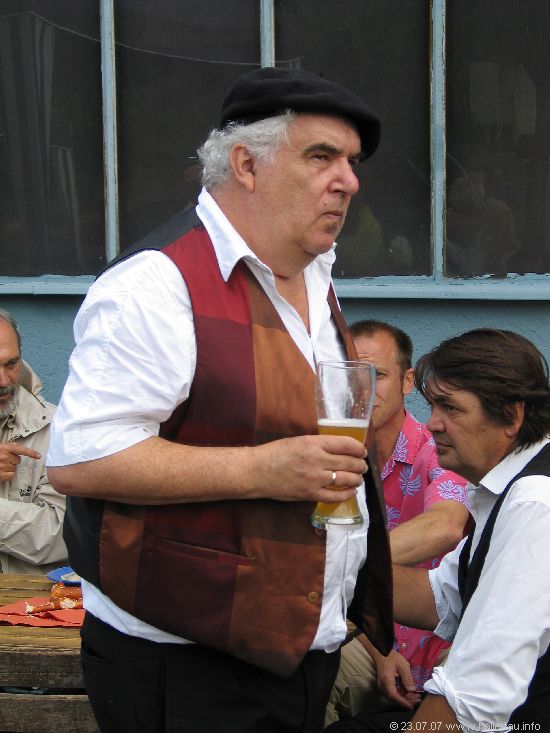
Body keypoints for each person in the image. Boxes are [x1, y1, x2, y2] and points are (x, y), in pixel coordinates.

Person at [46, 67, 394, 733]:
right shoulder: (156, 283)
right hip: (186, 663)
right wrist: (264, 468)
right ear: (246, 164)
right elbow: (82, 458)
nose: (348, 181)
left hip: (297, 648)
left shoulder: (313, 271)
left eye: (352, 162)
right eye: (322, 156)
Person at [326, 328, 550, 733]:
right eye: (432, 406)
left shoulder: (535, 503)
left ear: (512, 416)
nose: (433, 424)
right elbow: (439, 597)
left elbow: (476, 696)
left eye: (450, 408)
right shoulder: (505, 488)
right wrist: (324, 567)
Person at [325, 321, 469, 726]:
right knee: (303, 669)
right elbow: (328, 593)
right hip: (369, 643)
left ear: (407, 382)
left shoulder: (437, 447)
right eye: (351, 374)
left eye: (377, 375)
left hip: (440, 650)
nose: (362, 388)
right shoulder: (329, 454)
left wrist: (346, 560)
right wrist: (378, 649)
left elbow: (445, 525)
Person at [0, 308, 67, 573]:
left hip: (29, 596)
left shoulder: (55, 429)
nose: (4, 380)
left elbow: (62, 534)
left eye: (11, 364)